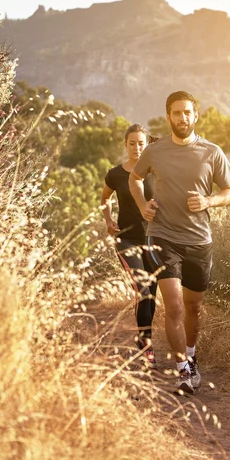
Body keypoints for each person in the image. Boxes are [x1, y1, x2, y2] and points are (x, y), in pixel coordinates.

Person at [129, 91, 230, 394]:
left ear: (195, 116)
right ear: (168, 117)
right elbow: (134, 178)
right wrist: (141, 205)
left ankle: (191, 355)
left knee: (194, 307)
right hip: (162, 235)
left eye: (187, 112)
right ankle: (182, 371)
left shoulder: (211, 152)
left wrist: (208, 201)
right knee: (174, 305)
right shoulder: (155, 150)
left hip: (199, 241)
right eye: (177, 113)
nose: (182, 118)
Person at [101, 124, 158, 369]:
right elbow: (105, 199)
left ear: (147, 145)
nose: (137, 147)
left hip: (155, 240)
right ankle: (146, 344)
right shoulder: (115, 174)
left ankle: (143, 336)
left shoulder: (156, 171)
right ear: (126, 144)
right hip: (127, 239)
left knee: (152, 293)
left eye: (141, 143)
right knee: (143, 289)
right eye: (132, 143)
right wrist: (108, 221)